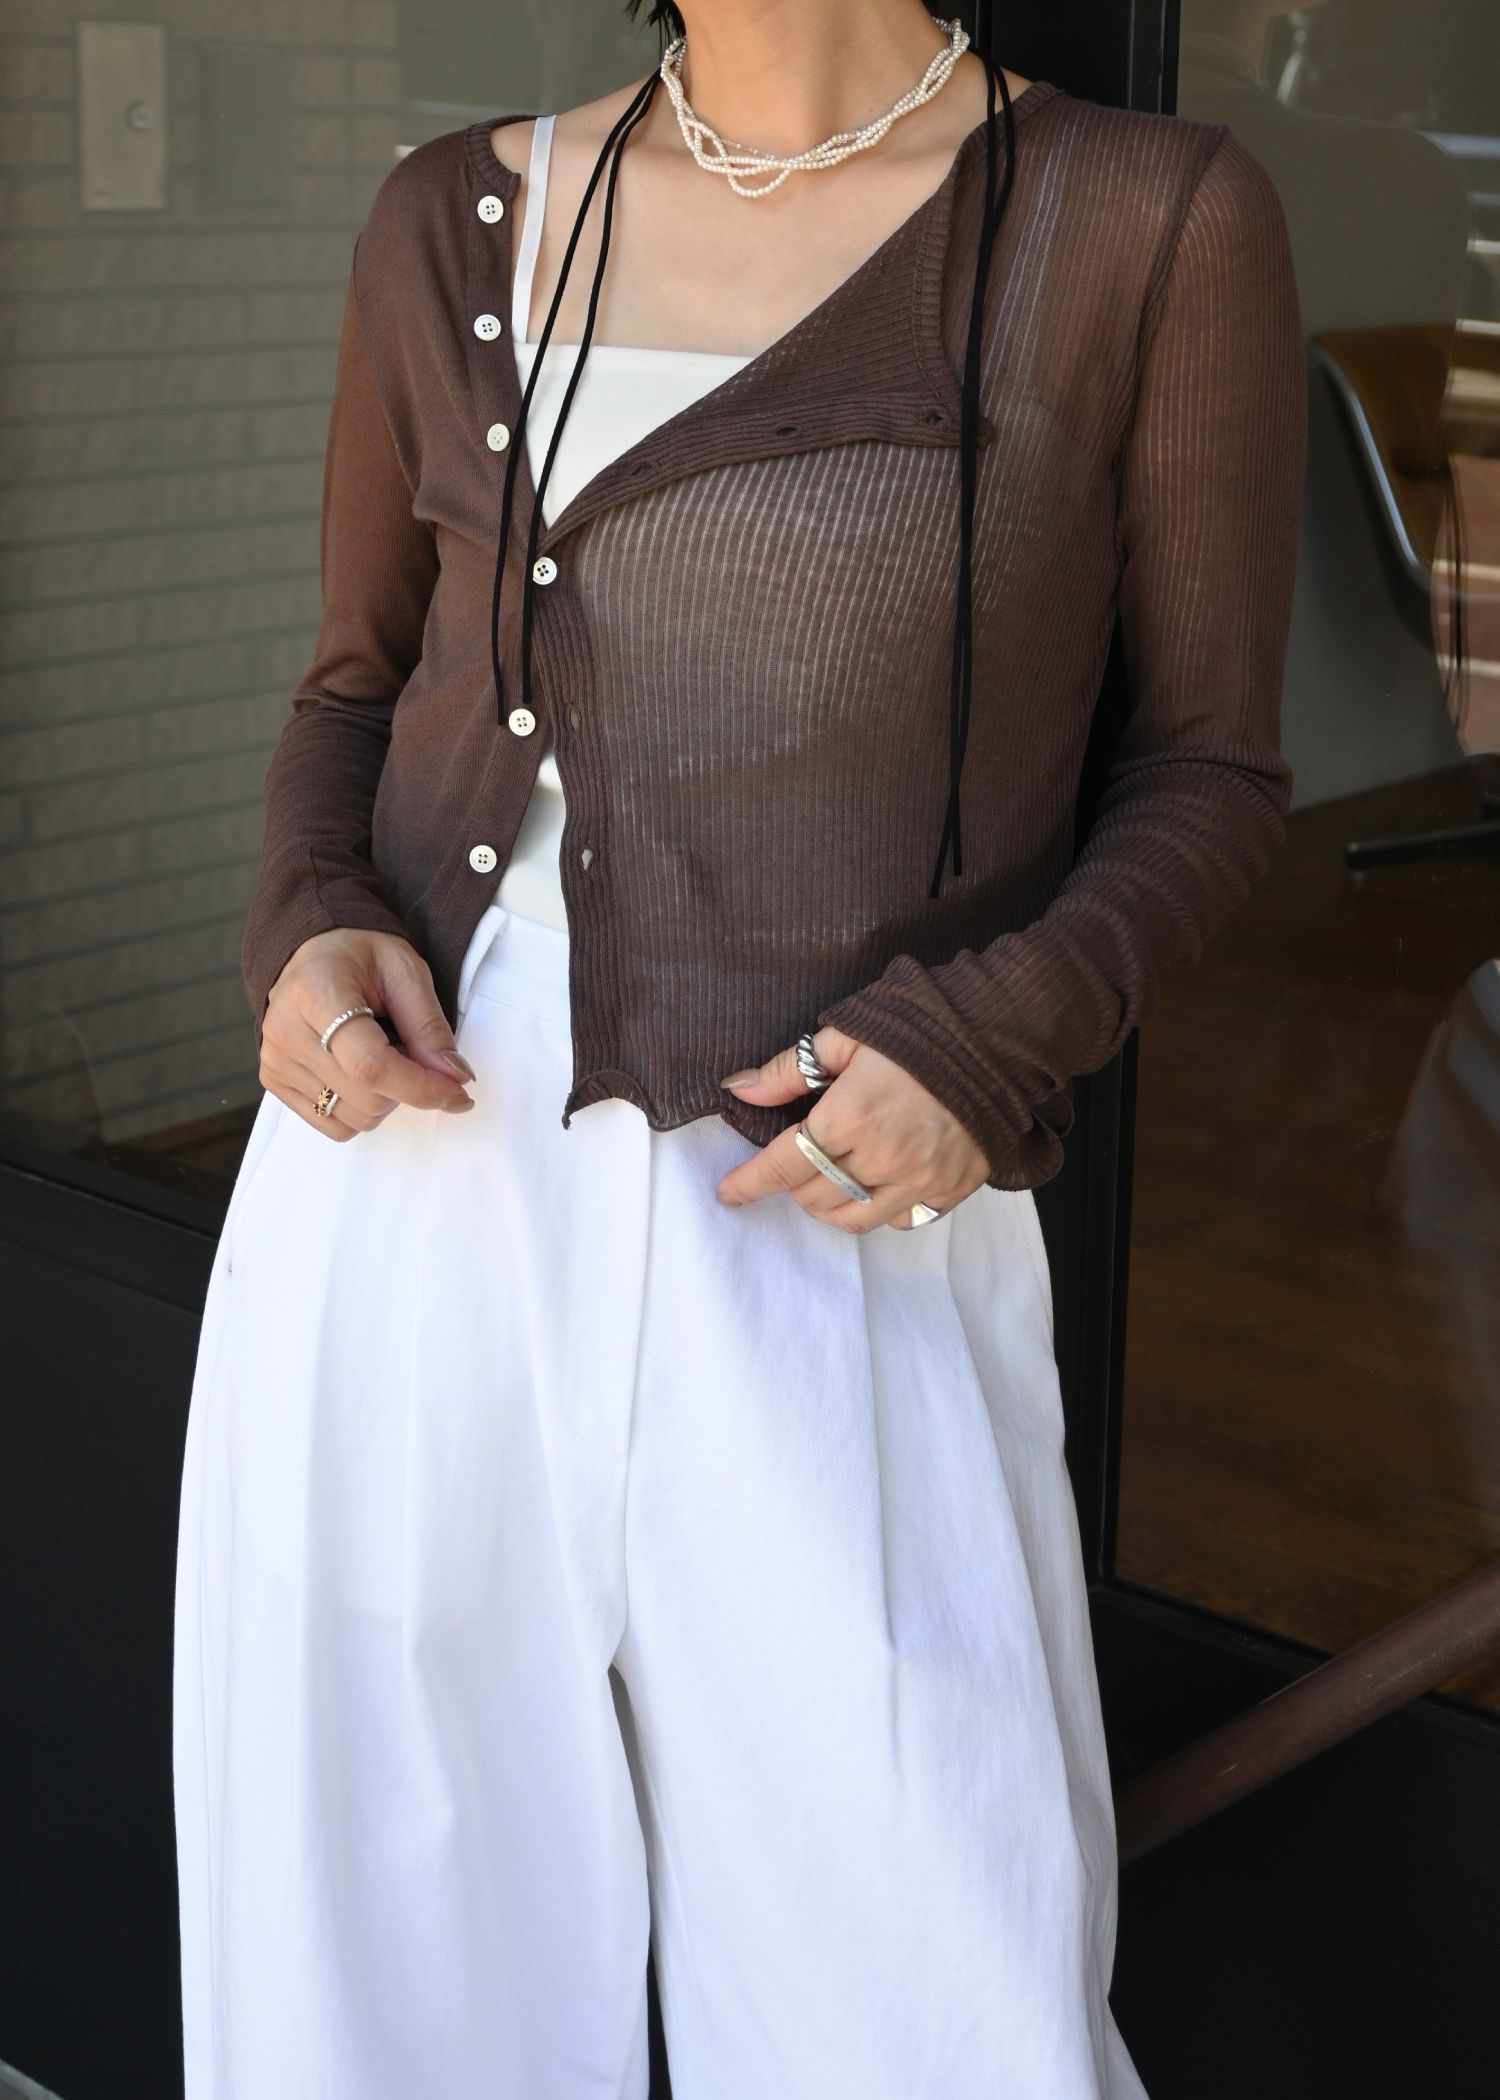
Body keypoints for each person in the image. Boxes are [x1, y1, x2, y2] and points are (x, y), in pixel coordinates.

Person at [171, 2, 1307, 2095]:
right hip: (409, 1196)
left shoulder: (1143, 221)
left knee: (920, 1988)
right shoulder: (453, 214)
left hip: (835, 1189)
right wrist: (308, 923)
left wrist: (994, 1036)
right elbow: (354, 690)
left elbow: (1212, 766)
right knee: (379, 1981)